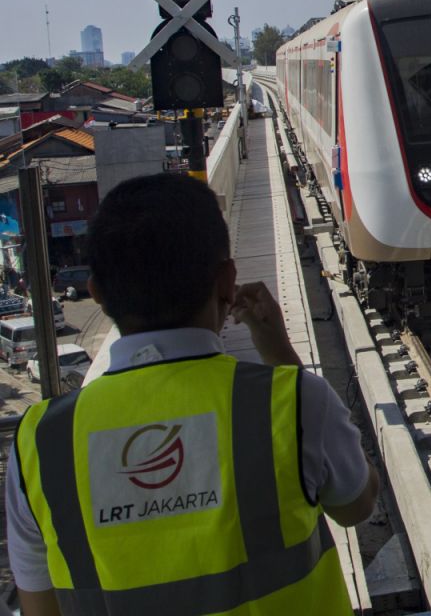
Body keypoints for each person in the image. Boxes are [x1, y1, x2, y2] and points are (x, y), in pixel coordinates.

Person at [6, 174, 380, 615]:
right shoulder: (292, 403)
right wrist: (279, 352)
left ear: (98, 296)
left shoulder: (41, 442)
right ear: (227, 282)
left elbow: (39, 605)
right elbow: (357, 505)